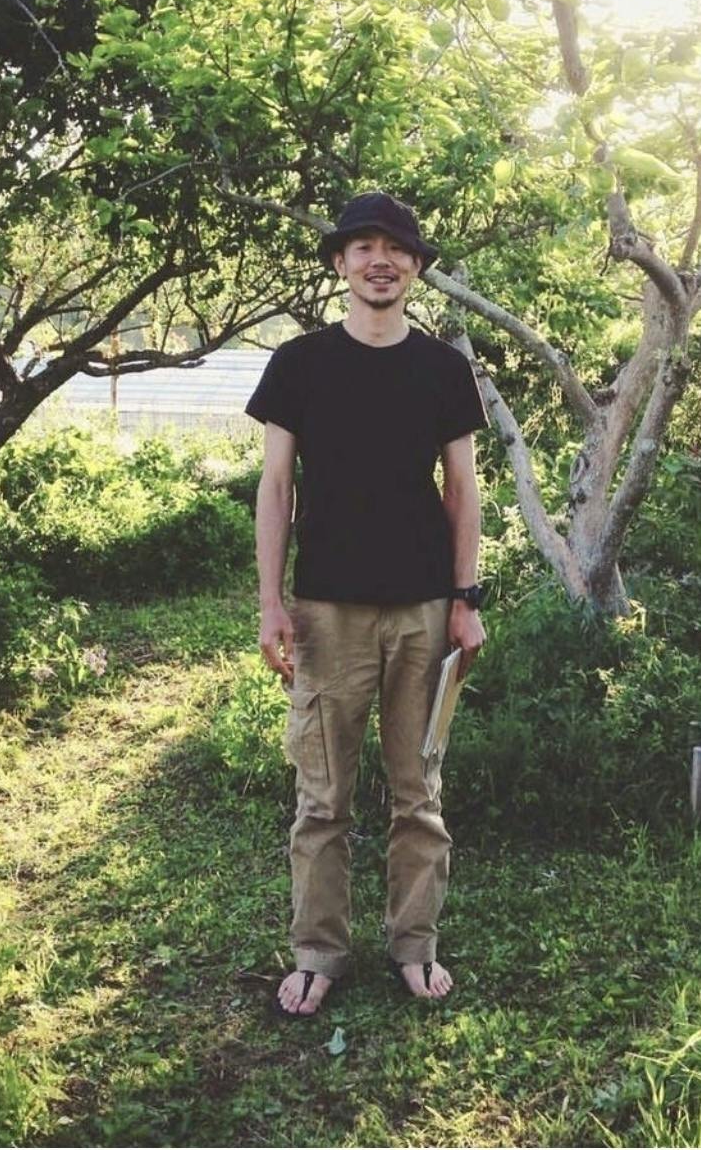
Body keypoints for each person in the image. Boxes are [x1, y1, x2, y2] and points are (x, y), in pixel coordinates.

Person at [245, 191, 487, 1017]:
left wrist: (465, 598)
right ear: (341, 263)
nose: (380, 261)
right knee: (323, 798)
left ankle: (415, 944)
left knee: (419, 792)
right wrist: (270, 602)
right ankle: (319, 951)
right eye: (363, 247)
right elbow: (276, 487)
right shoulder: (299, 363)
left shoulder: (444, 369)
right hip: (326, 610)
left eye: (396, 249)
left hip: (424, 610)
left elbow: (462, 489)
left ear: (415, 267)